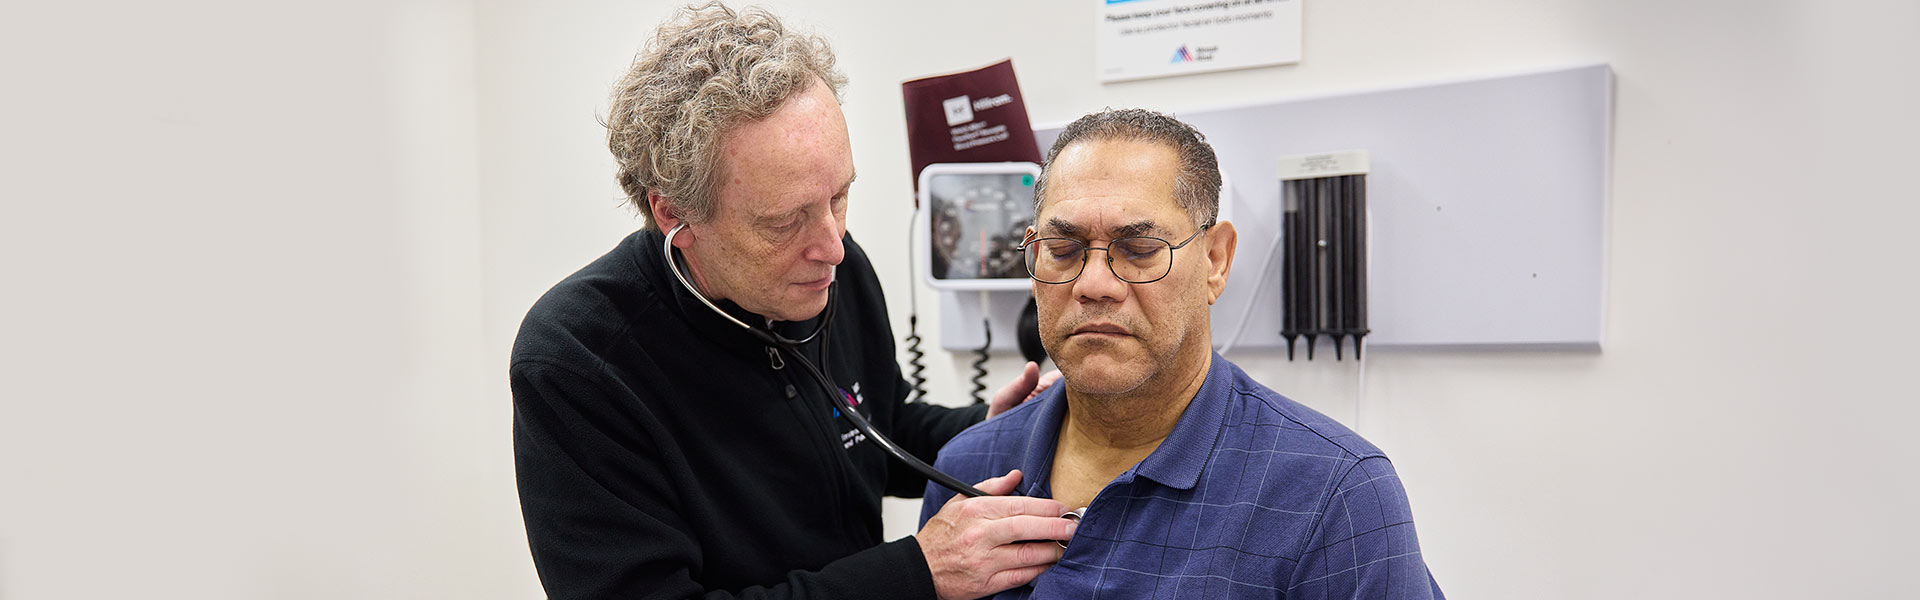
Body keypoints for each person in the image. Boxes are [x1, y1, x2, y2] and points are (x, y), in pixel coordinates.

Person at [510, 3, 1075, 599]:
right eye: (784, 222)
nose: (832, 247)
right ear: (674, 214)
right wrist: (915, 573)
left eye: (839, 196)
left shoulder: (833, 266)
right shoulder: (578, 360)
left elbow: (872, 426)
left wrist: (978, 430)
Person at [921, 109, 1446, 599]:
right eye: (1063, 250)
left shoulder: (1334, 496)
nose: (1094, 284)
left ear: (1215, 260)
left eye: (1140, 249)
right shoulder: (969, 468)